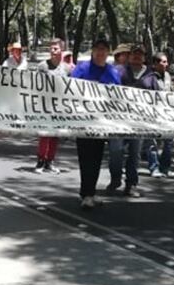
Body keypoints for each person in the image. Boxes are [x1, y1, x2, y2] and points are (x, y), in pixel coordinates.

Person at [71, 39, 123, 209]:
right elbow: (70, 89)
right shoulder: (82, 69)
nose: (101, 52)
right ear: (92, 51)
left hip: (103, 123)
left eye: (104, 49)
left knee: (97, 158)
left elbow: (120, 95)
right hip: (84, 121)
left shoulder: (112, 72)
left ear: (108, 52)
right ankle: (86, 194)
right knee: (86, 158)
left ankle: (90, 193)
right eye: (98, 49)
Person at [108, 43, 154, 198]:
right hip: (118, 121)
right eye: (134, 53)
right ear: (129, 56)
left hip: (139, 122)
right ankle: (115, 179)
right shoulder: (119, 71)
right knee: (115, 151)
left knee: (135, 154)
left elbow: (159, 97)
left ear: (144, 57)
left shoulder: (150, 75)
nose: (137, 56)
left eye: (140, 54)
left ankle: (131, 184)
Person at [34, 38, 69, 173]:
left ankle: (50, 161)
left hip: (59, 106)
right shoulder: (42, 66)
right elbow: (35, 85)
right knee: (44, 133)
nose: (53, 51)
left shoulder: (66, 68)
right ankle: (40, 161)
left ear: (62, 50)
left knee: (55, 134)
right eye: (51, 48)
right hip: (45, 104)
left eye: (56, 48)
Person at [146, 52, 174, 179]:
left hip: (167, 114)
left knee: (170, 141)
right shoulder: (149, 77)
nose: (166, 64)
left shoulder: (168, 76)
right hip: (153, 114)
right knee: (152, 142)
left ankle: (166, 167)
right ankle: (154, 167)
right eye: (163, 62)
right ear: (155, 64)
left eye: (166, 61)